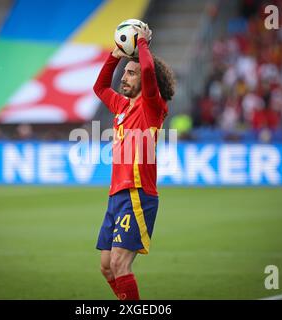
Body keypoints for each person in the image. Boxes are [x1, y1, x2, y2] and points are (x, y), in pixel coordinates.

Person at [93, 23, 175, 300]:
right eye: (124, 73)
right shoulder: (121, 106)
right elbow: (100, 86)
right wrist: (116, 55)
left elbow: (150, 70)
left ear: (144, 80)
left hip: (138, 194)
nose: (123, 79)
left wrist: (142, 44)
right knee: (106, 267)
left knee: (120, 263)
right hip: (116, 194)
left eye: (130, 74)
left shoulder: (153, 105)